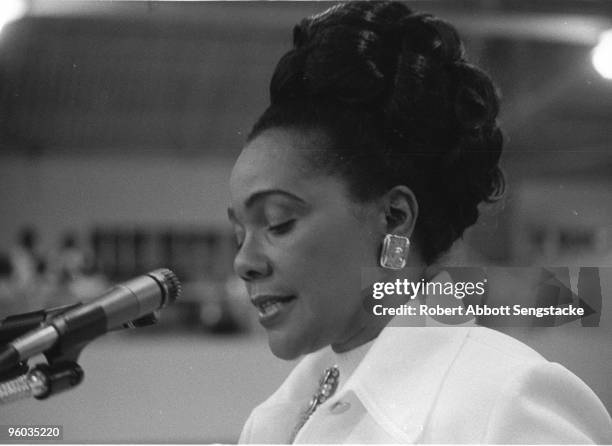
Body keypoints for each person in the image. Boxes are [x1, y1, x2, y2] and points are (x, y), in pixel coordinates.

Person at [227, 2, 612, 443]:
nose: (244, 262)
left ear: (394, 218)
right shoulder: (274, 421)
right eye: (239, 233)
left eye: (278, 223)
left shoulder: (505, 405)